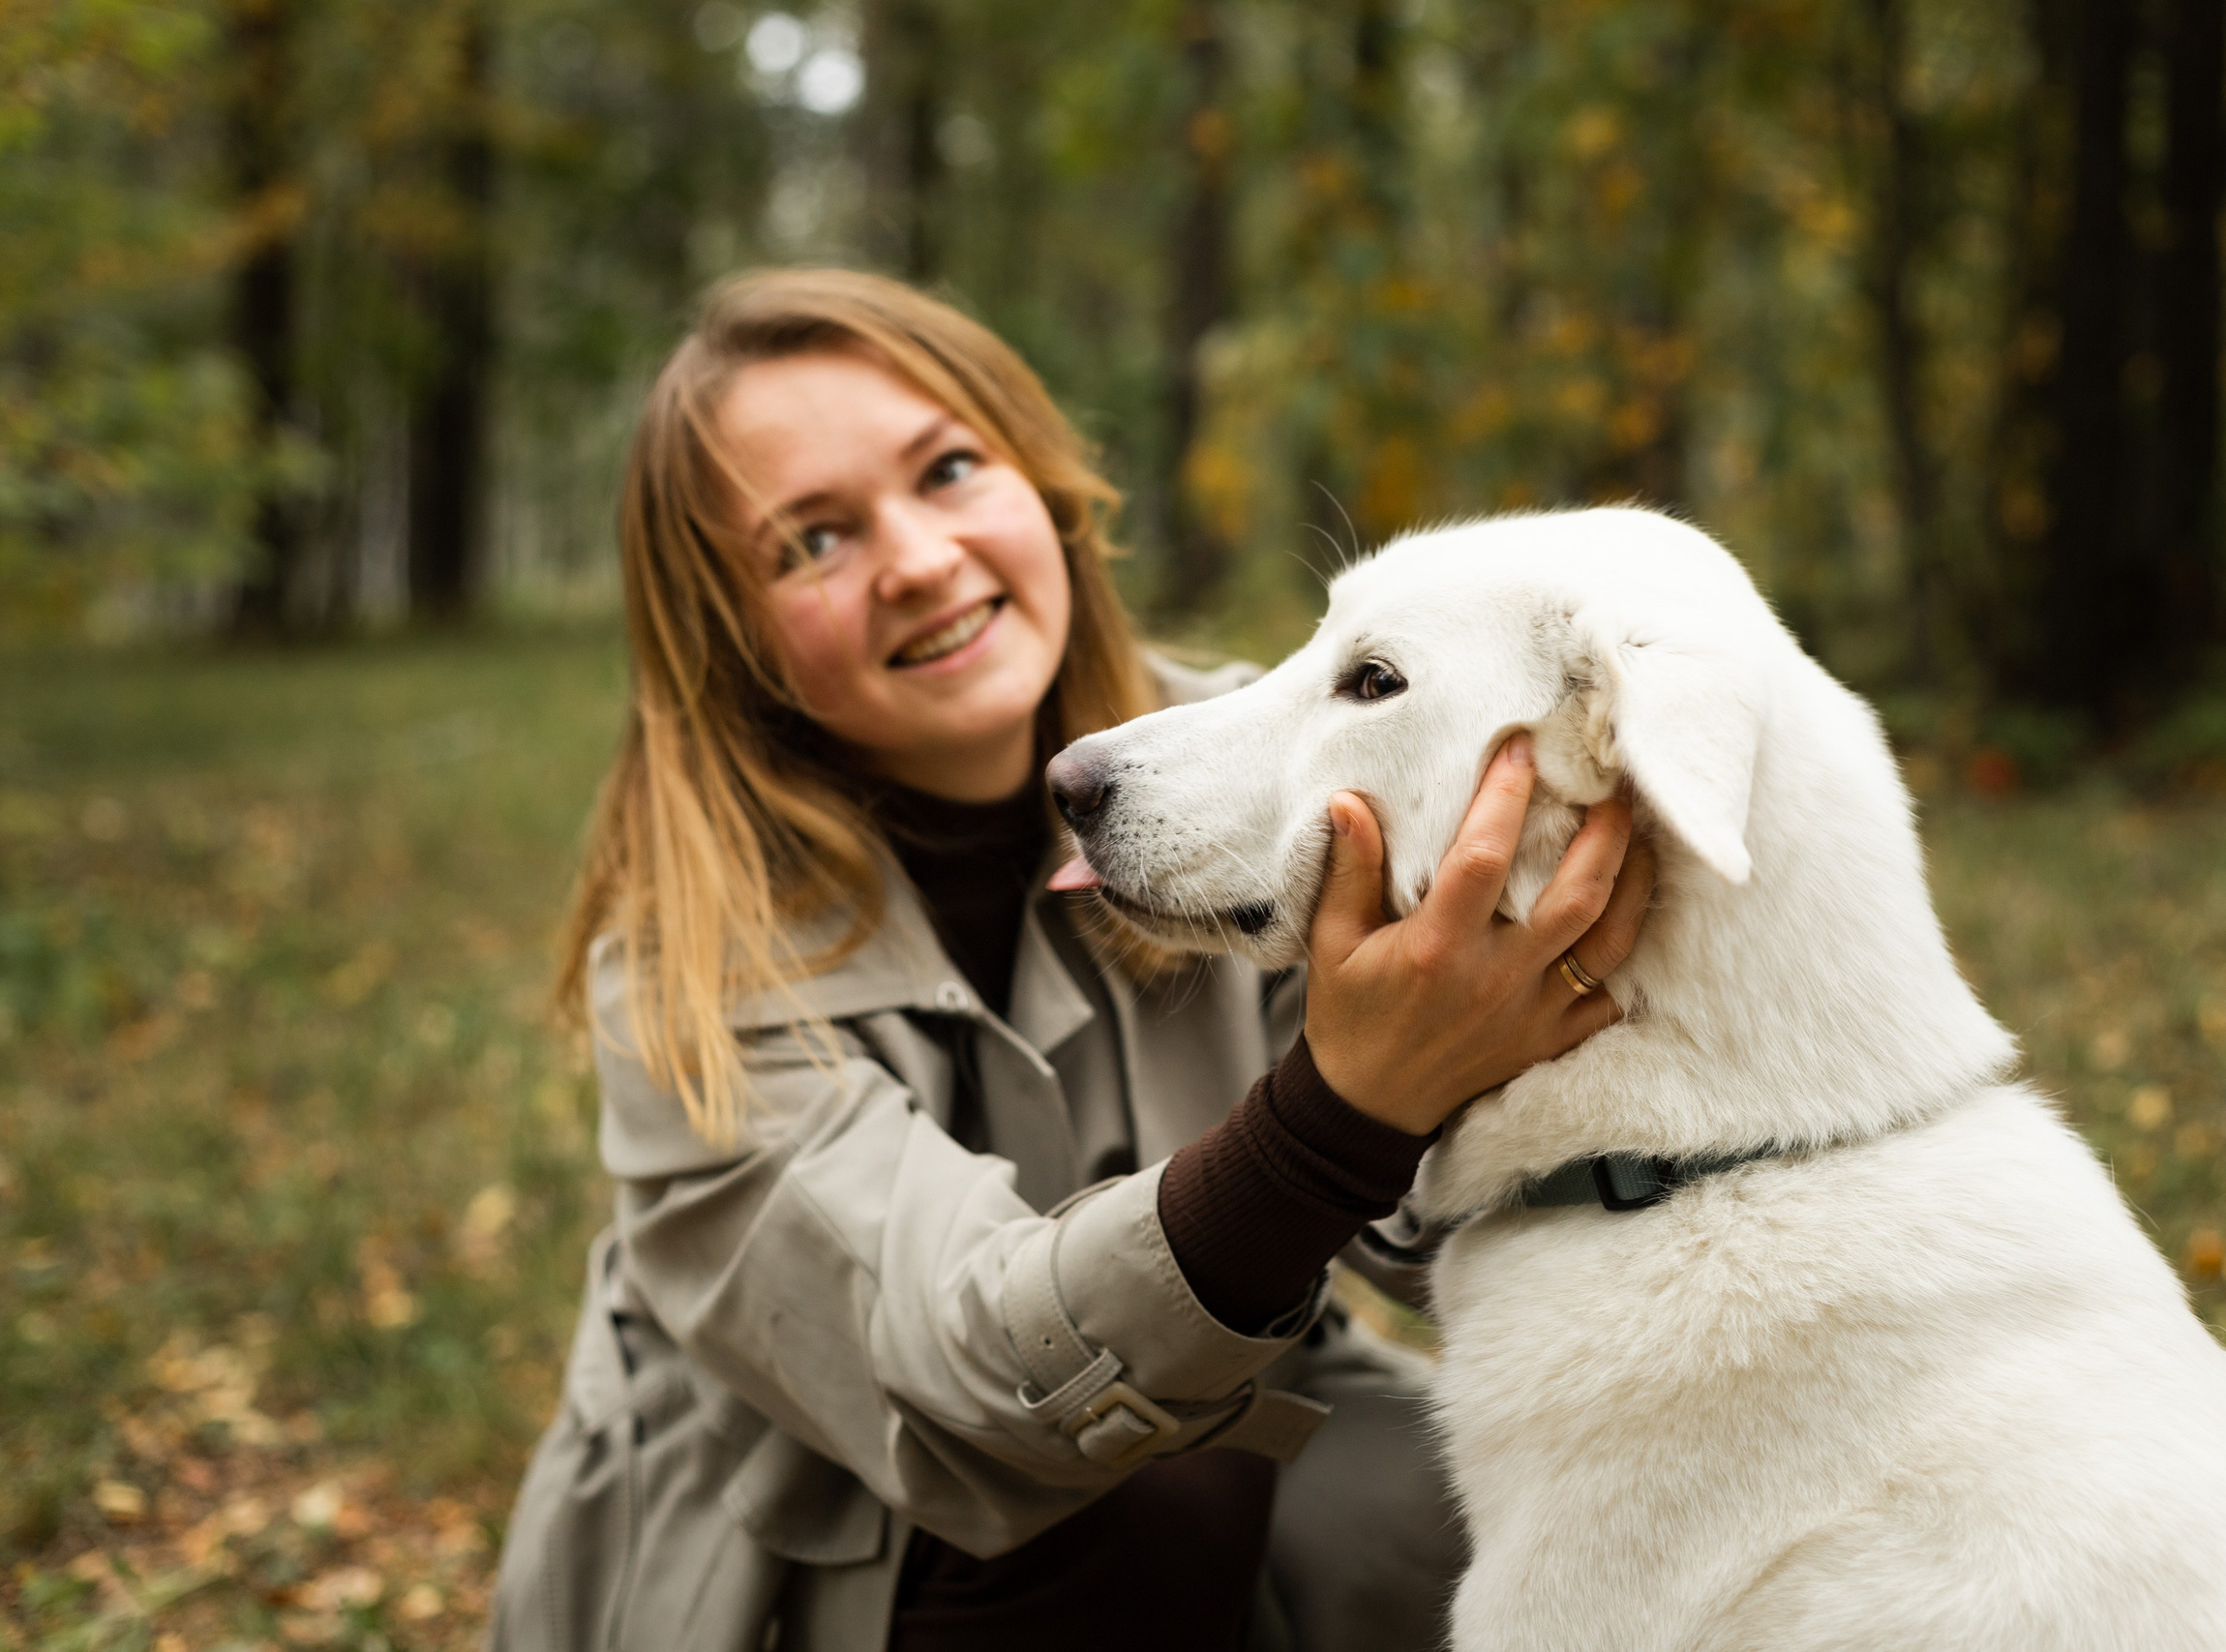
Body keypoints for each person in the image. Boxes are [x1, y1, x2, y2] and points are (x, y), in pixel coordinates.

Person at [487, 268, 1653, 1652]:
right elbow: (965, 1374)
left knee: (1566, 1510)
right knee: (1152, 1497)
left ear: (1043, 487)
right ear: (725, 640)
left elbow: (1445, 1224)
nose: (917, 558)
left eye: (951, 468)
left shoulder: (1261, 758)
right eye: (810, 543)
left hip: (1232, 1436)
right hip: (810, 1561)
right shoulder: (689, 971)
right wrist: (1335, 1119)